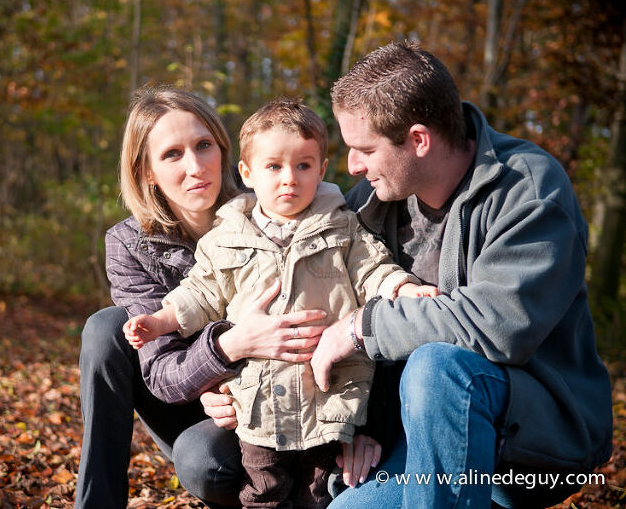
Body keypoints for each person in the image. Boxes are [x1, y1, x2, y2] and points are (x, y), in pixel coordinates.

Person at [299, 41, 612, 508]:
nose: (353, 166)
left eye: (365, 149)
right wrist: (355, 427)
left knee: (437, 367)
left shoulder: (528, 189)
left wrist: (362, 327)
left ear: (419, 140)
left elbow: (496, 324)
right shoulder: (370, 202)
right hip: (412, 439)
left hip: (529, 448)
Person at [122, 99, 439, 508]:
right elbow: (199, 292)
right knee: (264, 489)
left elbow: (372, 269)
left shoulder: (342, 227)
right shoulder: (227, 238)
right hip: (259, 403)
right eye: (274, 167)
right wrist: (161, 321)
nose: (289, 179)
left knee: (317, 490)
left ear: (321, 170)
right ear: (247, 173)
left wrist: (401, 287)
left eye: (303, 166)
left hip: (327, 395)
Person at [77, 87, 344, 509]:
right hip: (190, 408)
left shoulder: (275, 204)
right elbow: (162, 372)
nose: (196, 166)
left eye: (204, 146)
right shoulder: (129, 245)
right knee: (105, 328)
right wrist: (231, 344)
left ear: (223, 151)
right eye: (172, 155)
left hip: (283, 392)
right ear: (147, 171)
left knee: (214, 459)